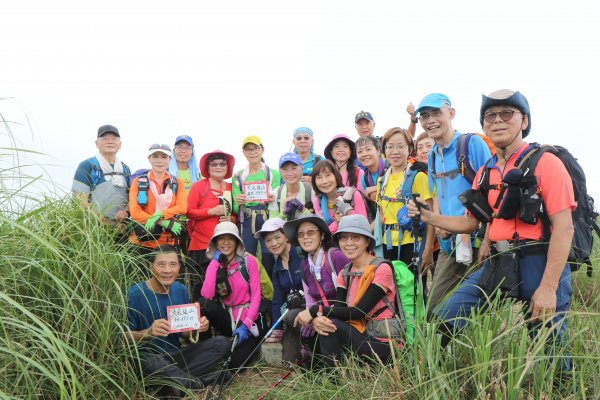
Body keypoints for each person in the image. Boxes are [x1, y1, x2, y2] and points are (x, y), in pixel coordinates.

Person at [407, 89, 574, 372]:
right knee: (444, 317)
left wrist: (548, 288)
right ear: (484, 124)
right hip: (498, 262)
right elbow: (470, 223)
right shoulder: (486, 171)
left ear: (524, 121)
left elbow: (564, 227)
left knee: (550, 351)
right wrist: (429, 217)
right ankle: (454, 372)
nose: (497, 121)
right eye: (490, 116)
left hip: (538, 261)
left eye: (507, 114)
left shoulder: (546, 162)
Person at [412, 93, 492, 312]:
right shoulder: (433, 155)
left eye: (436, 113)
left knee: (475, 309)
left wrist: (488, 240)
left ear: (451, 113)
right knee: (434, 306)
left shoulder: (471, 144)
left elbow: (493, 194)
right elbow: (436, 193)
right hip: (449, 244)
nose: (430, 120)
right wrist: (438, 225)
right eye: (424, 116)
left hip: (477, 241)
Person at [294, 214, 400, 369]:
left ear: (367, 241)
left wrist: (317, 310)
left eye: (356, 237)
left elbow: (358, 312)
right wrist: (318, 319)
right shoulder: (345, 272)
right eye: (344, 238)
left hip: (384, 343)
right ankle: (332, 380)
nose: (349, 243)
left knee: (331, 326)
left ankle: (333, 383)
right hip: (360, 336)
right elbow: (340, 308)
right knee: (327, 325)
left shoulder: (382, 269)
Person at [125, 245, 230, 395]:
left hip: (176, 356)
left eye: (173, 264)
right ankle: (196, 382)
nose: (167, 270)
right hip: (149, 359)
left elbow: (184, 334)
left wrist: (196, 327)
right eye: (161, 264)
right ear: (151, 267)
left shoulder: (180, 290)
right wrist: (147, 332)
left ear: (179, 267)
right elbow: (122, 337)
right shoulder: (134, 294)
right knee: (148, 361)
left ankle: (172, 383)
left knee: (221, 343)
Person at [283, 214, 350, 366]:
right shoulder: (304, 265)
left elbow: (351, 296)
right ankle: (304, 362)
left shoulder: (336, 257)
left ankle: (332, 373)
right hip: (321, 313)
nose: (305, 237)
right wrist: (313, 319)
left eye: (311, 232)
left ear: (322, 235)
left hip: (344, 313)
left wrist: (318, 315)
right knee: (295, 316)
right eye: (301, 234)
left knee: (324, 325)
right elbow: (309, 301)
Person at [199, 222, 265, 369]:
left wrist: (246, 325)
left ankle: (247, 348)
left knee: (234, 364)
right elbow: (207, 295)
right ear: (215, 242)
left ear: (237, 242)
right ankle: (204, 349)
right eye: (221, 238)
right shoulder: (216, 264)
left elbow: (256, 297)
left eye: (231, 238)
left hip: (249, 320)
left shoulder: (249, 262)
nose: (226, 243)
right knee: (203, 305)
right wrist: (215, 263)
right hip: (228, 318)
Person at [376, 127, 434, 266]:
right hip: (387, 244)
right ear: (384, 151)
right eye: (390, 147)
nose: (395, 151)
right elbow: (382, 216)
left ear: (409, 149)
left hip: (412, 242)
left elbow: (431, 217)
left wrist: (428, 247)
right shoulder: (381, 181)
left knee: (414, 286)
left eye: (400, 146)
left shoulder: (418, 177)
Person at [186, 150, 236, 300]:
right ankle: (201, 322)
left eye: (222, 163)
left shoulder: (231, 187)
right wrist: (211, 211)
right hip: (202, 247)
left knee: (226, 289)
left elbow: (238, 215)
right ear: (207, 168)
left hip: (227, 246)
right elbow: (188, 212)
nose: (218, 166)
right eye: (213, 164)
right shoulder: (199, 186)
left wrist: (231, 219)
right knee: (201, 290)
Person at [254, 218, 304, 361]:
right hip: (293, 313)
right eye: (268, 240)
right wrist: (277, 329)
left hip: (310, 308)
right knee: (289, 359)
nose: (273, 243)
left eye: (277, 237)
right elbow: (277, 299)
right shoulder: (277, 267)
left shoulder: (301, 254)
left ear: (287, 236)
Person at [232, 136, 281, 276]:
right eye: (248, 149)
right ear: (244, 152)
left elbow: (277, 199)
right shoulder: (237, 177)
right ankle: (249, 288)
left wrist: (272, 198)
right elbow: (236, 208)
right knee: (248, 255)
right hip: (247, 219)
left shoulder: (273, 174)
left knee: (269, 255)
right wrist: (239, 202)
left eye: (256, 148)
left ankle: (271, 290)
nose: (252, 152)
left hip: (267, 218)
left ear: (262, 150)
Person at [129, 144, 187, 255]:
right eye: (155, 156)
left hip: (169, 243)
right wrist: (163, 221)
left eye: (164, 157)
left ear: (170, 159)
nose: (159, 161)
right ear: (149, 158)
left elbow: (182, 208)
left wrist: (159, 214)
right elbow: (135, 213)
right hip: (142, 243)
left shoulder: (177, 183)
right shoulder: (138, 182)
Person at [72, 124, 131, 227]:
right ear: (97, 143)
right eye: (105, 138)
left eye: (114, 138)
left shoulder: (125, 169)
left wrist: (125, 212)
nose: (110, 141)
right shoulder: (87, 166)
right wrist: (106, 223)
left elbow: (132, 198)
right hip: (94, 228)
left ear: (120, 144)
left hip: (122, 228)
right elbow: (80, 202)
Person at [311, 159, 370, 233]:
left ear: (336, 176)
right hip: (331, 242)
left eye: (328, 175)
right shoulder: (318, 200)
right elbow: (323, 231)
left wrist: (347, 210)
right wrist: (337, 222)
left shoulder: (353, 194)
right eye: (319, 177)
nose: (325, 181)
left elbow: (363, 225)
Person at [269, 152, 315, 221]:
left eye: (294, 168)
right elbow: (271, 223)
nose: (290, 173)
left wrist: (302, 208)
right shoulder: (276, 193)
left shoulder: (311, 190)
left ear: (302, 168)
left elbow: (319, 219)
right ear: (280, 171)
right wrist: (284, 213)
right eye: (285, 169)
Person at [356, 135, 384, 201]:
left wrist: (376, 188)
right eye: (360, 151)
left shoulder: (390, 166)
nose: (364, 154)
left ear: (378, 151)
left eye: (368, 149)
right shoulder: (364, 178)